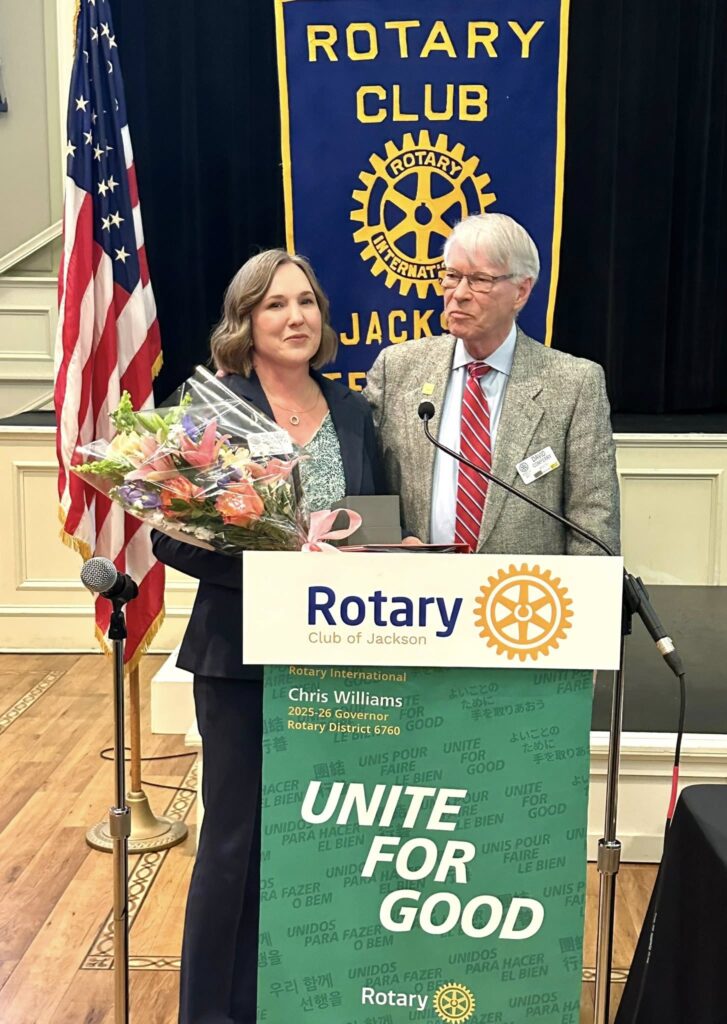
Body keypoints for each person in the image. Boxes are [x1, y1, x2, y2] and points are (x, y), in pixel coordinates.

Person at [152, 249, 382, 1024]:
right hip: (239, 655)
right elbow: (171, 539)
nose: (296, 318)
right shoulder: (211, 404)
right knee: (234, 844)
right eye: (276, 304)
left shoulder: (354, 411)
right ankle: (213, 1011)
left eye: (307, 303)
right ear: (245, 320)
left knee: (321, 840)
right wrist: (277, 562)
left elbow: (379, 526)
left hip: (342, 661)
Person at [365, 213, 620, 555]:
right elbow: (364, 485)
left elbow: (593, 522)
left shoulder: (573, 385)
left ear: (521, 291)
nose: (458, 294)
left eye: (479, 280)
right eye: (452, 276)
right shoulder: (397, 369)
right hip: (419, 596)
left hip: (523, 598)